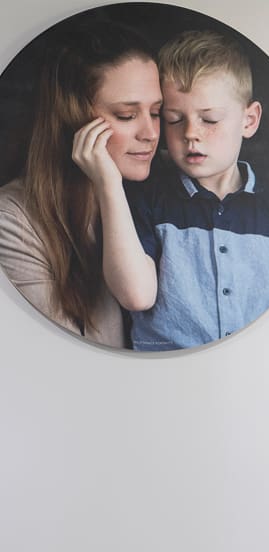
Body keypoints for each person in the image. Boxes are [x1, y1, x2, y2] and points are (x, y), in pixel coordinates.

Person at [99, 29, 269, 351]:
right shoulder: (146, 199)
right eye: (173, 119)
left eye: (209, 119)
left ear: (249, 120)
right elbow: (135, 295)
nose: (191, 134)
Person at [0, 23, 162, 347]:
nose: (151, 133)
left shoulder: (167, 191)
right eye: (127, 116)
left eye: (158, 113)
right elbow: (65, 361)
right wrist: (108, 184)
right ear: (74, 119)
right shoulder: (12, 219)